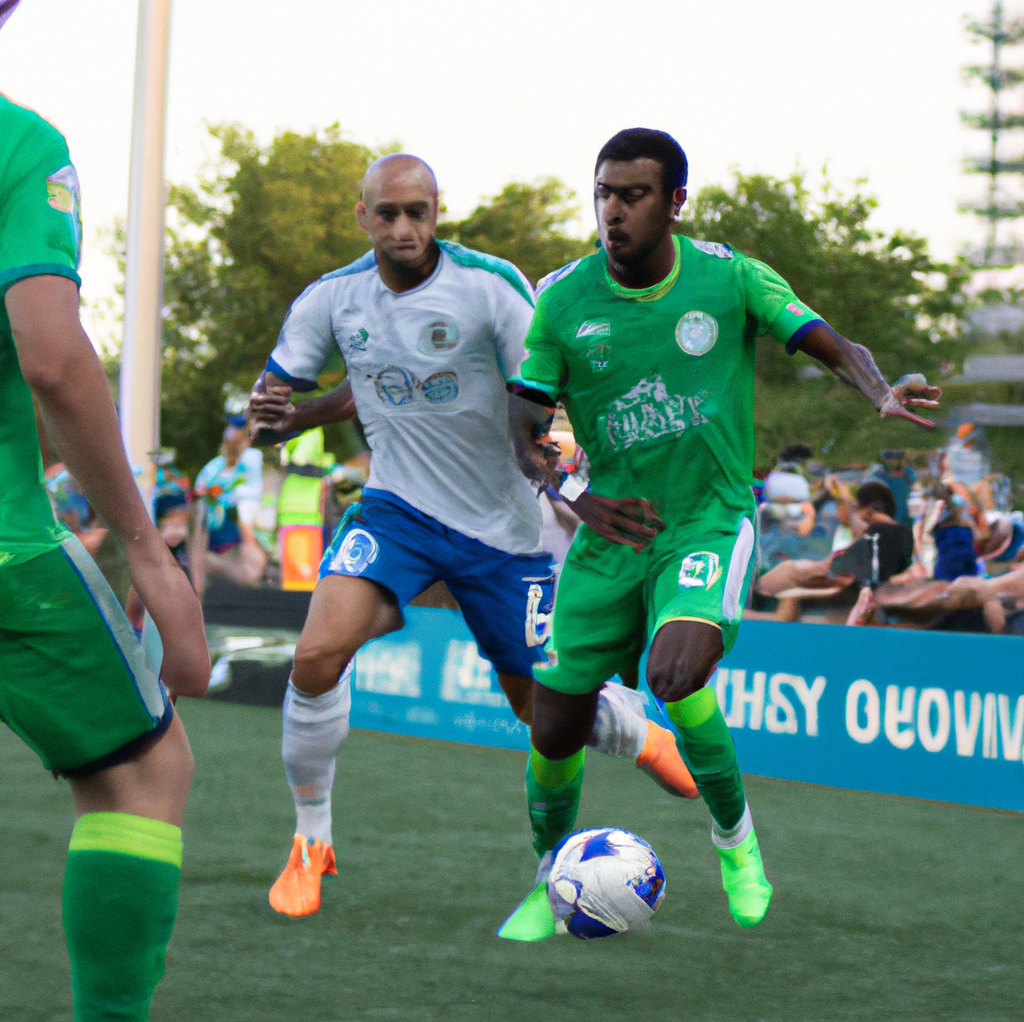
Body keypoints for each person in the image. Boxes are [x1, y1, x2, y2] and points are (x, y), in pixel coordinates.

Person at [499, 127, 941, 940]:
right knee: (553, 723)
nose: (613, 211)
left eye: (633, 195)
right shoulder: (563, 297)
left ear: (674, 203)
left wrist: (876, 392)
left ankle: (736, 843)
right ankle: (544, 877)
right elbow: (522, 425)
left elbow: (828, 341)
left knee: (675, 670)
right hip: (610, 533)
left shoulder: (728, 276)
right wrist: (568, 490)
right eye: (603, 193)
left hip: (706, 518)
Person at [248, 153, 697, 919]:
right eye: (387, 213)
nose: (403, 227)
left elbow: (542, 387)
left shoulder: (490, 288)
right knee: (318, 654)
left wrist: (562, 478)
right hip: (396, 510)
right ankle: (311, 839)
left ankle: (629, 726)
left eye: (417, 212)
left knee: (538, 710)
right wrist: (274, 420)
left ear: (436, 213)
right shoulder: (331, 300)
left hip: (505, 530)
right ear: (363, 217)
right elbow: (318, 389)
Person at [0, 78, 209, 1022]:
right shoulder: (18, 144)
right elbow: (50, 354)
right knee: (143, 776)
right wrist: (149, 551)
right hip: (6, 556)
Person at [189, 408, 267, 597]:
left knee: (252, 570)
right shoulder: (215, 466)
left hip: (236, 528)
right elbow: (198, 493)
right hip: (214, 528)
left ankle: (202, 571)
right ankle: (198, 581)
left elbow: (253, 494)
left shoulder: (250, 459)